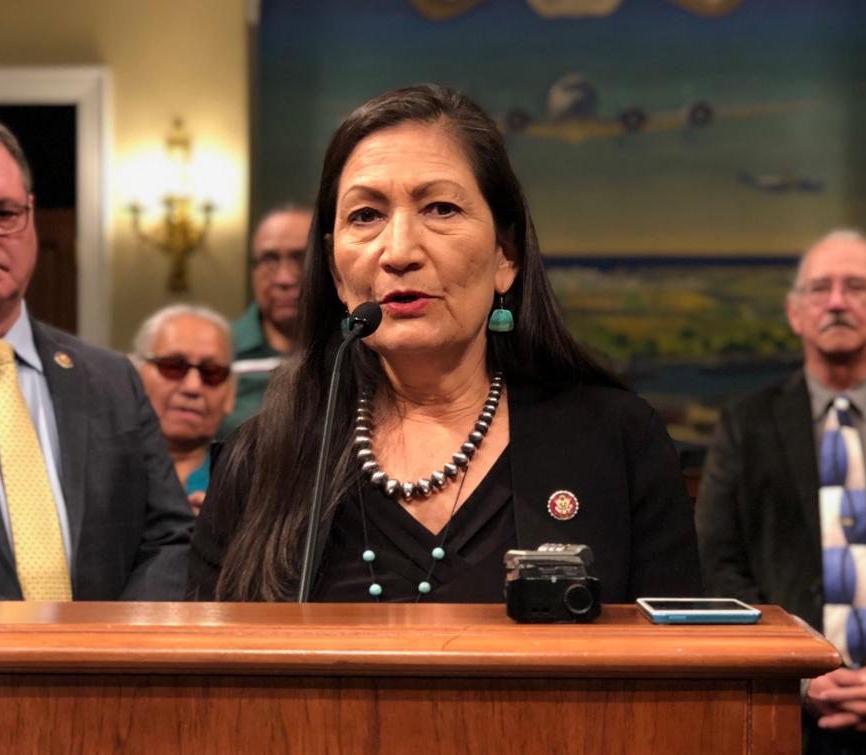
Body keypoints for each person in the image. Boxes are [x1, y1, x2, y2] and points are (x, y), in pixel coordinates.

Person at [189, 84, 701, 604]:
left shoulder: (616, 442)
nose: (399, 251)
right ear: (337, 275)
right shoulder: (263, 458)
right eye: (366, 216)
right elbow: (204, 672)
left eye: (439, 208)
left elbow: (679, 667)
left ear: (506, 255)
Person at [696, 230, 866, 754]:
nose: (837, 301)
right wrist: (796, 674)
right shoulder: (746, 427)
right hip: (785, 720)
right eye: (820, 288)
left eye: (857, 287)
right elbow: (716, 565)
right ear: (796, 313)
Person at [0, 110, 194, 601]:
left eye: (2, 213)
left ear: (30, 217)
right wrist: (19, 647)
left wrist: (113, 648)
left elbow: (171, 538)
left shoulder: (111, 378)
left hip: (112, 670)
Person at [133, 304, 236, 514]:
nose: (193, 387)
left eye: (211, 372)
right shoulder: (99, 474)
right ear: (136, 376)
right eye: (173, 367)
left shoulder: (248, 488)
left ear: (230, 393)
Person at [220, 205, 312, 437]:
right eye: (269, 260)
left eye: (300, 259)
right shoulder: (217, 354)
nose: (285, 278)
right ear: (253, 271)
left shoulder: (358, 348)